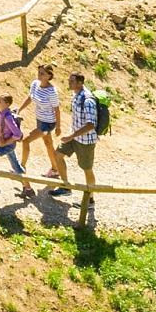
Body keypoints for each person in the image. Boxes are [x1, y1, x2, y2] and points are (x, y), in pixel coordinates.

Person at [0, 91, 37, 198]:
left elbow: (17, 135)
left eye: (1, 101)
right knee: (17, 168)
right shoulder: (1, 114)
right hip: (8, 146)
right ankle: (28, 189)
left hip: (7, 146)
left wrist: (5, 142)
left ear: (7, 104)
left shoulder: (7, 117)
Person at [55, 71, 99, 209]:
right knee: (58, 155)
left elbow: (91, 124)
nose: (69, 83)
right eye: (69, 80)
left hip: (85, 141)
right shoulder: (76, 95)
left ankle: (90, 200)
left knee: (87, 169)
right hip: (74, 136)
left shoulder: (88, 100)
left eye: (72, 81)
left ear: (80, 83)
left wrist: (71, 136)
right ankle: (66, 187)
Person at [23, 64, 63, 180]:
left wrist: (58, 127)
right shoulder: (35, 84)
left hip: (48, 124)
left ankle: (21, 167)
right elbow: (30, 98)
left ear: (49, 76)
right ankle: (55, 170)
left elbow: (57, 109)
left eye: (42, 73)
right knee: (48, 144)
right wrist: (20, 110)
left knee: (26, 141)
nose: (39, 75)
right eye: (39, 72)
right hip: (39, 120)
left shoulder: (52, 92)